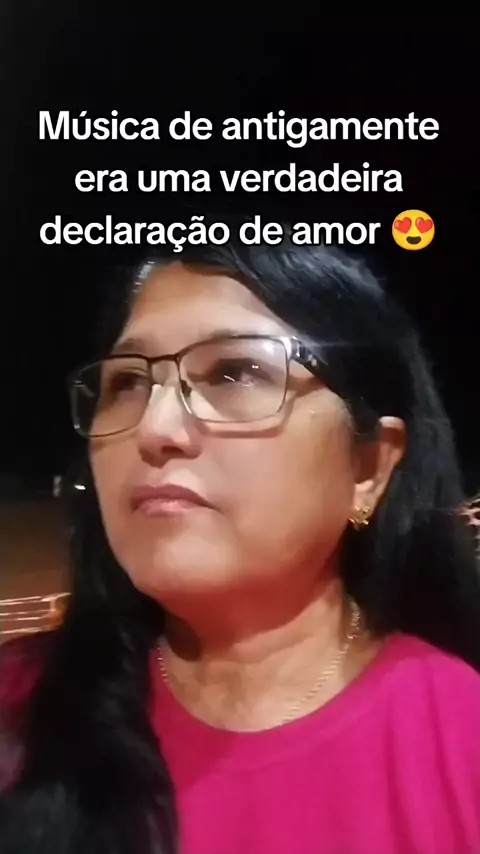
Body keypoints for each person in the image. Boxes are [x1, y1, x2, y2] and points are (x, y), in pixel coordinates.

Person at [1, 235, 480, 854]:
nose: (155, 428)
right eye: (127, 382)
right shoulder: (19, 708)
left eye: (235, 372)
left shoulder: (459, 739)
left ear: (367, 468)